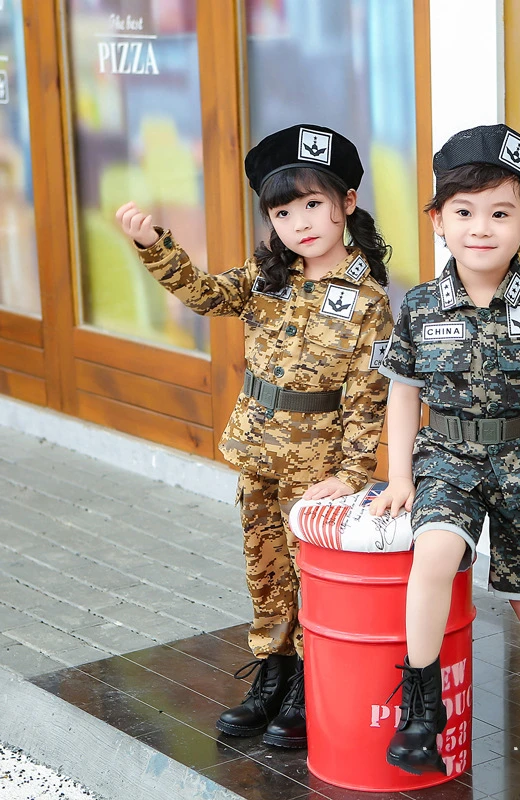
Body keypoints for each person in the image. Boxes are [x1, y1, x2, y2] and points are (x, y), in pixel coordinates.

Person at [116, 124, 394, 749]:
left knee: (310, 574)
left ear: (347, 203)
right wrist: (153, 243)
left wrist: (350, 476)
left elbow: (366, 398)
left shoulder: (367, 300)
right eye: (283, 211)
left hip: (316, 466)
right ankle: (275, 672)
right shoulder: (266, 277)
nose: (300, 222)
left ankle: (312, 682)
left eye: (314, 204)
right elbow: (206, 294)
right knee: (265, 570)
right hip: (256, 453)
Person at [370, 124, 520, 790]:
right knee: (432, 554)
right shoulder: (422, 305)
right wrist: (401, 474)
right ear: (438, 221)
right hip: (447, 459)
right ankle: (419, 711)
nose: (480, 227)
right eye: (463, 212)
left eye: (500, 213)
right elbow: (403, 397)